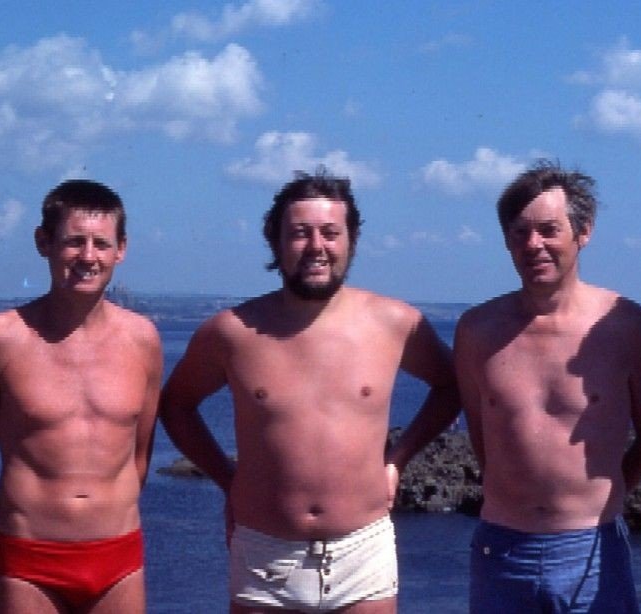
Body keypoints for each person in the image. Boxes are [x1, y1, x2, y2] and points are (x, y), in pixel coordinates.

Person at [159, 168, 459, 613]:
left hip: (363, 552)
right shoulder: (232, 332)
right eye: (300, 233)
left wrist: (397, 462)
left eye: (330, 233)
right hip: (265, 555)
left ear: (351, 240)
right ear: (276, 243)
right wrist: (227, 481)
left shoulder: (396, 323)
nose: (316, 247)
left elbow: (450, 387)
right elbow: (177, 405)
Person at [454, 161, 641, 613]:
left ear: (583, 231)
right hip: (501, 549)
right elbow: (483, 436)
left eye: (549, 230)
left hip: (592, 550)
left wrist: (602, 501)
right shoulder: (477, 330)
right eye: (520, 233)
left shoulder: (625, 326)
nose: (534, 245)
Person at [0, 179, 163, 613]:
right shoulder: (1, 338)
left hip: (119, 560)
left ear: (120, 249)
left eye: (101, 243)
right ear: (43, 242)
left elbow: (138, 458)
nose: (88, 256)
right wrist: (9, 554)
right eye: (74, 242)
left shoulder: (143, 340)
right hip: (29, 564)